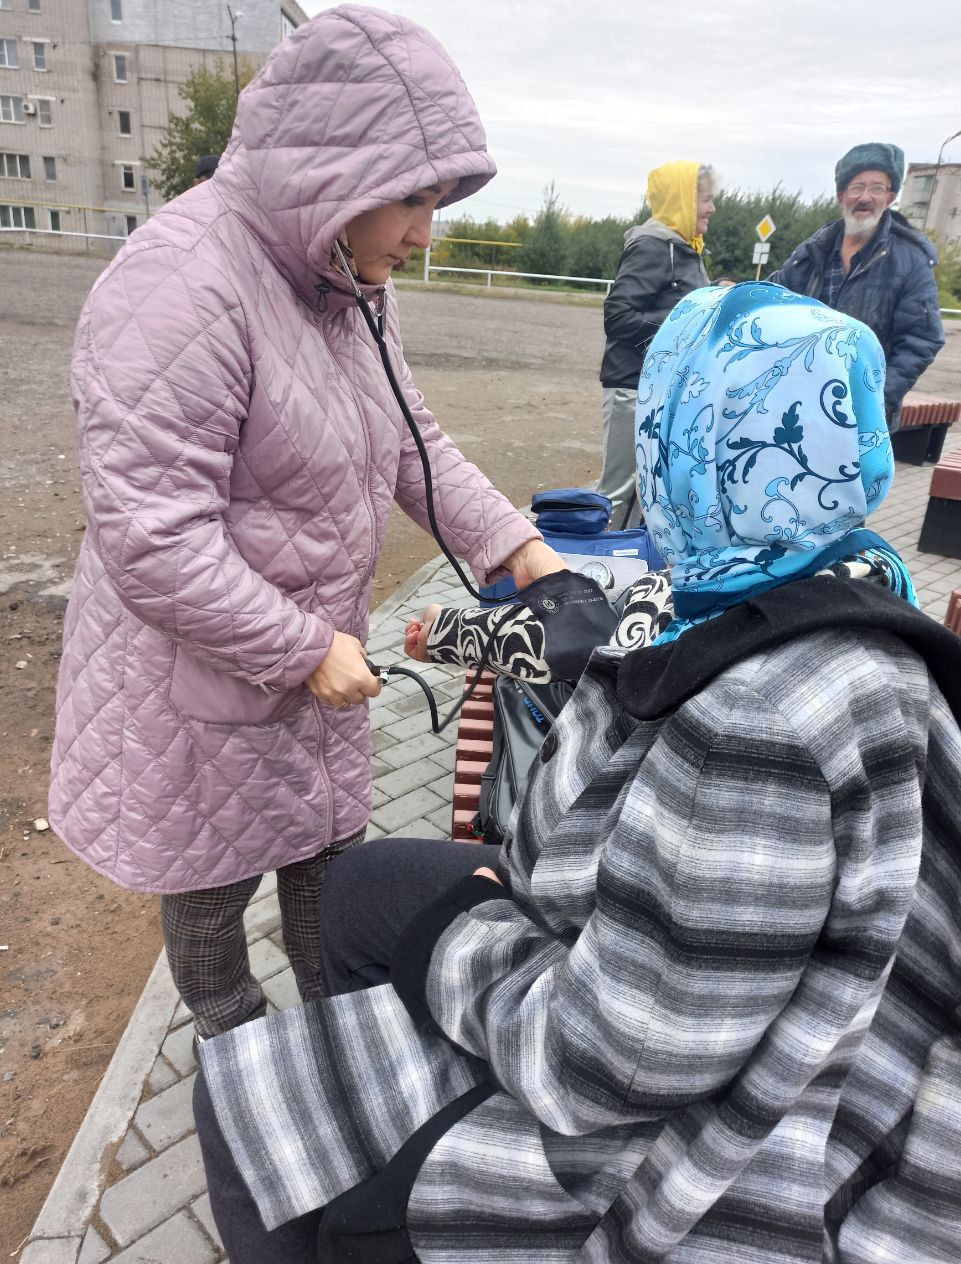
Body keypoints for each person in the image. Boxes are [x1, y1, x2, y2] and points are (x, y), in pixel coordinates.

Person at [195, 283, 961, 1263]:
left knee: (249, 1118)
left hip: (709, 1145)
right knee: (359, 886)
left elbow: (616, 1061)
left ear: (694, 444)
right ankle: (393, 1069)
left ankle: (375, 1146)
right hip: (714, 973)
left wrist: (452, 943)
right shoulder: (834, 578)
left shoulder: (761, 720)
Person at [48, 5, 560, 1043]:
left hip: (309, 670)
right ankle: (235, 1043)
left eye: (439, 200)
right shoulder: (179, 284)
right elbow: (152, 533)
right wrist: (300, 646)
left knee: (331, 860)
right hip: (204, 686)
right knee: (208, 896)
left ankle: (341, 1042)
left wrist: (517, 543)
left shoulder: (349, 281)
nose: (424, 234)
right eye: (411, 199)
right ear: (334, 174)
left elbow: (411, 434)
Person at [769, 142, 944, 430]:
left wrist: (876, 399)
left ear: (890, 196)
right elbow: (773, 300)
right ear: (842, 196)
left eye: (876, 188)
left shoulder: (910, 258)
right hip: (803, 405)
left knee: (856, 476)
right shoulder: (814, 250)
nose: (865, 197)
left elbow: (922, 339)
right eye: (856, 187)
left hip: (864, 417)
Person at [596, 160, 715, 528]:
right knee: (619, 494)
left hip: (661, 390)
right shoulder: (653, 246)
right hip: (634, 389)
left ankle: (630, 575)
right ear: (681, 199)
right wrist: (682, 328)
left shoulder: (684, 249)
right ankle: (595, 577)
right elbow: (617, 316)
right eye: (705, 200)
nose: (711, 208)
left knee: (648, 492)